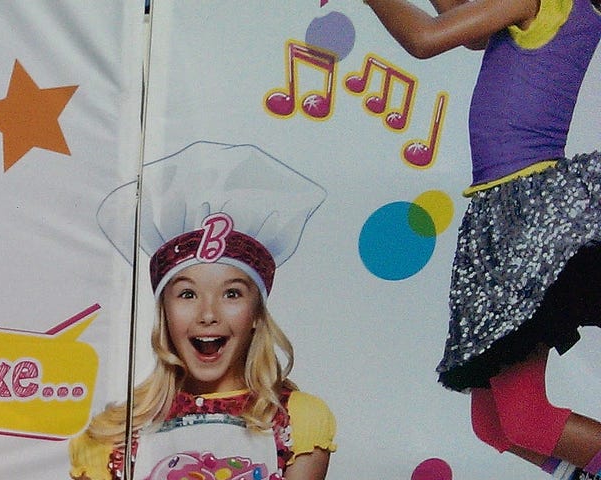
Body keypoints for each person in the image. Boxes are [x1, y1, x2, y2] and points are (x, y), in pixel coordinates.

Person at [363, 1, 601, 477]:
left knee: (527, 419)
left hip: (528, 215)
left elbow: (427, 38)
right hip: (503, 211)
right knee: (492, 424)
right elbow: (469, 30)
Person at [74, 142, 336, 480]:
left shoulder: (298, 421)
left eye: (231, 293)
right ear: (164, 311)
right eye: (187, 294)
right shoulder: (112, 437)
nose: (207, 313)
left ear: (256, 313)